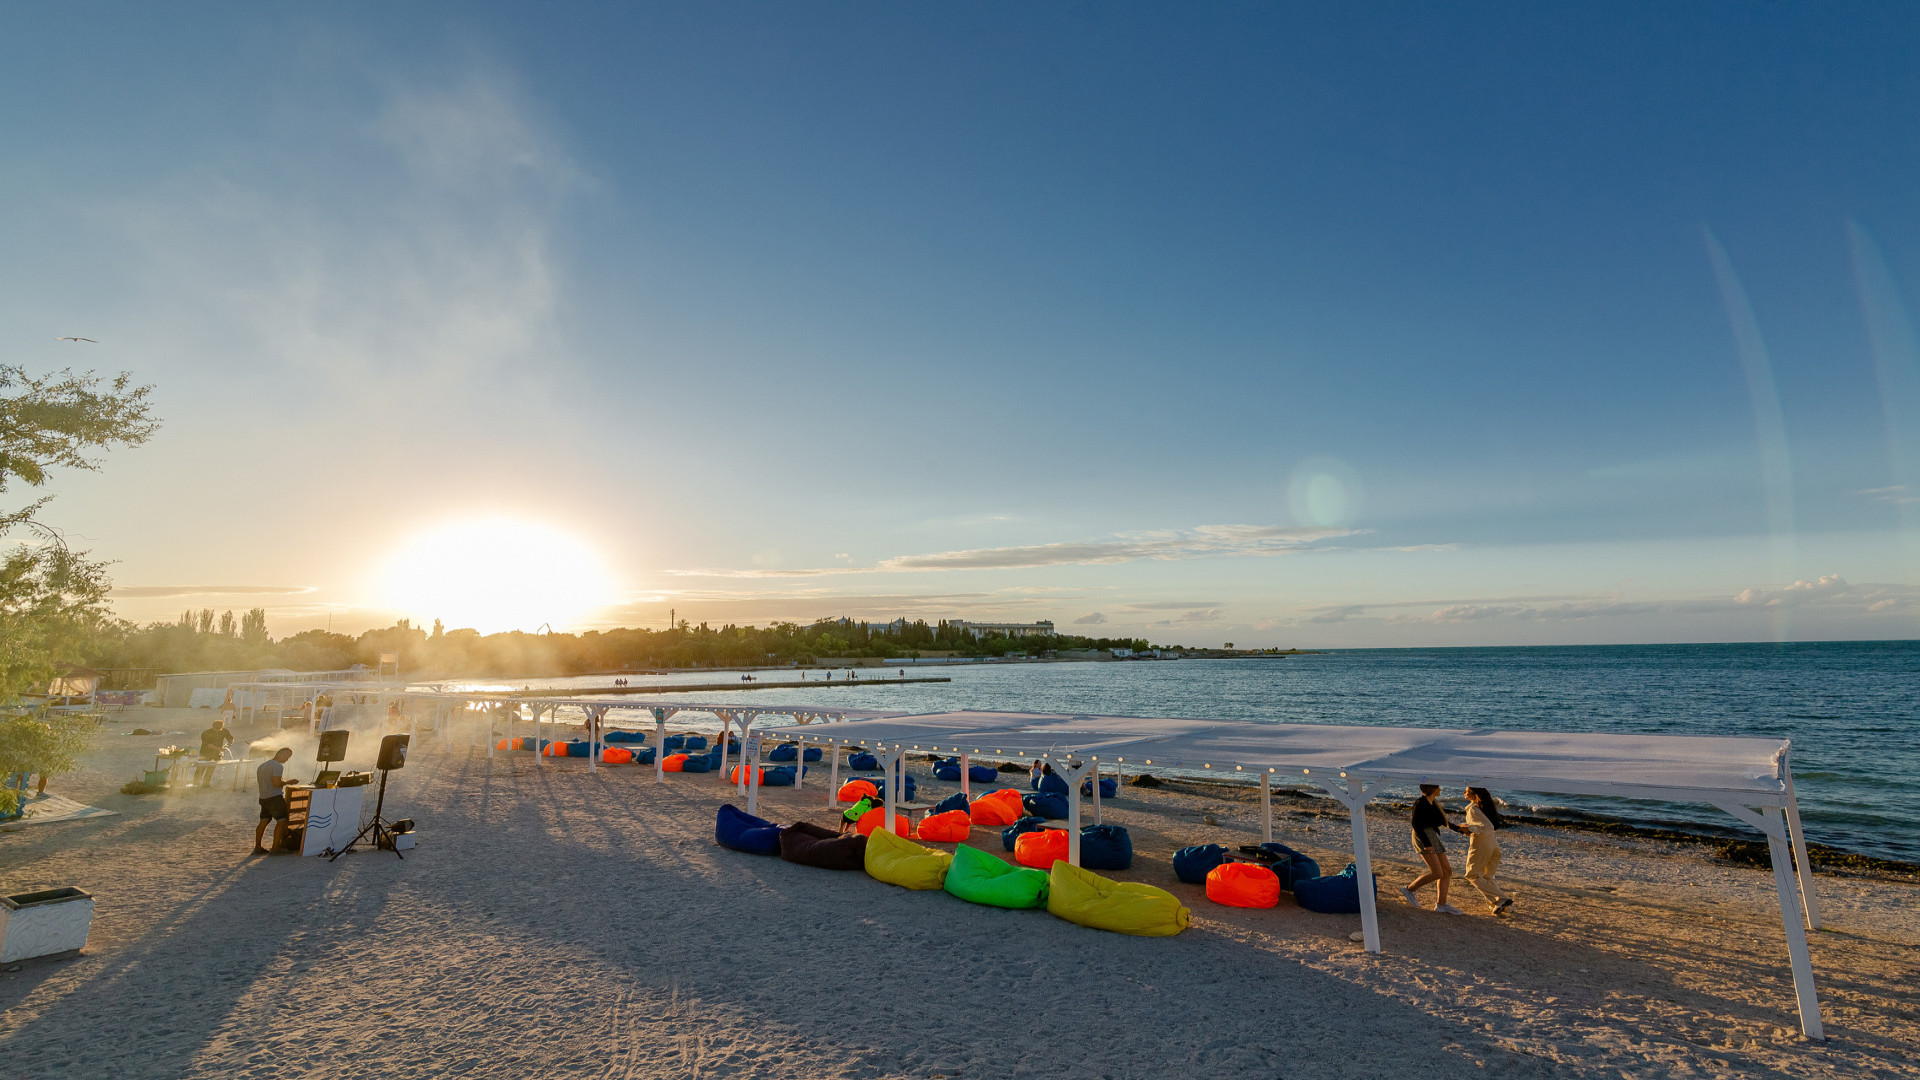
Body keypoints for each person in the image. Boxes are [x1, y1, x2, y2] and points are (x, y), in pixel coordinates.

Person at [1402, 784, 1467, 914]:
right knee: (1437, 873)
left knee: (1447, 871)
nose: (1440, 789)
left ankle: (1441, 905)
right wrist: (1427, 844)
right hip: (1422, 837)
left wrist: (1460, 830)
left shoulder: (1433, 803)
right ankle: (1409, 889)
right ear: (1432, 789)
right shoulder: (1420, 803)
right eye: (1438, 787)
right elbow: (1416, 824)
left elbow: (1443, 821)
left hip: (1431, 835)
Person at [1462, 787, 1514, 916]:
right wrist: (1470, 828)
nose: (1464, 792)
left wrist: (1467, 828)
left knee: (1472, 875)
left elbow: (1486, 827)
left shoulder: (1473, 809)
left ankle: (1502, 899)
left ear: (1474, 794)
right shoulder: (1483, 807)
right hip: (1493, 844)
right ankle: (1501, 906)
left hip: (1482, 844)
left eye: (1467, 791)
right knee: (1487, 876)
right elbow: (1488, 827)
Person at [253, 748, 299, 855]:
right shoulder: (277, 766)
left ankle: (257, 847)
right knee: (282, 821)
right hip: (274, 797)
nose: (287, 759)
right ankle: (275, 848)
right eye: (287, 756)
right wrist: (289, 782)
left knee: (264, 820)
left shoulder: (262, 765)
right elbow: (276, 783)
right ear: (281, 754)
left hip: (263, 797)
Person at [193, 719, 233, 789]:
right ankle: (195, 784)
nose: (217, 731)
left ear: (222, 727)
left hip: (217, 754)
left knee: (211, 769)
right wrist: (218, 749)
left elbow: (231, 739)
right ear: (212, 726)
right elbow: (208, 744)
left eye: (219, 729)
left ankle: (206, 784)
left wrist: (226, 745)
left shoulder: (224, 731)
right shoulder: (206, 733)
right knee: (200, 768)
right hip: (205, 753)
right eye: (216, 729)